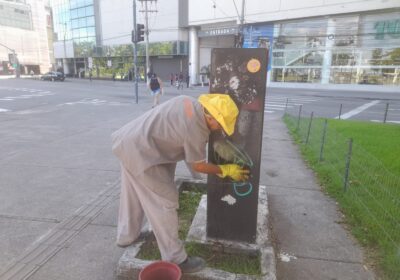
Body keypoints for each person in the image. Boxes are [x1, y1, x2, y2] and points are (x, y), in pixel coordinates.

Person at [111, 94, 249, 273]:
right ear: (210, 117)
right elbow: (197, 165)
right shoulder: (196, 128)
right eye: (220, 124)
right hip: (142, 153)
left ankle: (126, 236)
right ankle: (176, 258)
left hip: (128, 141)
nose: (220, 130)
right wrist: (225, 170)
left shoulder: (188, 101)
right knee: (165, 202)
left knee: (133, 194)